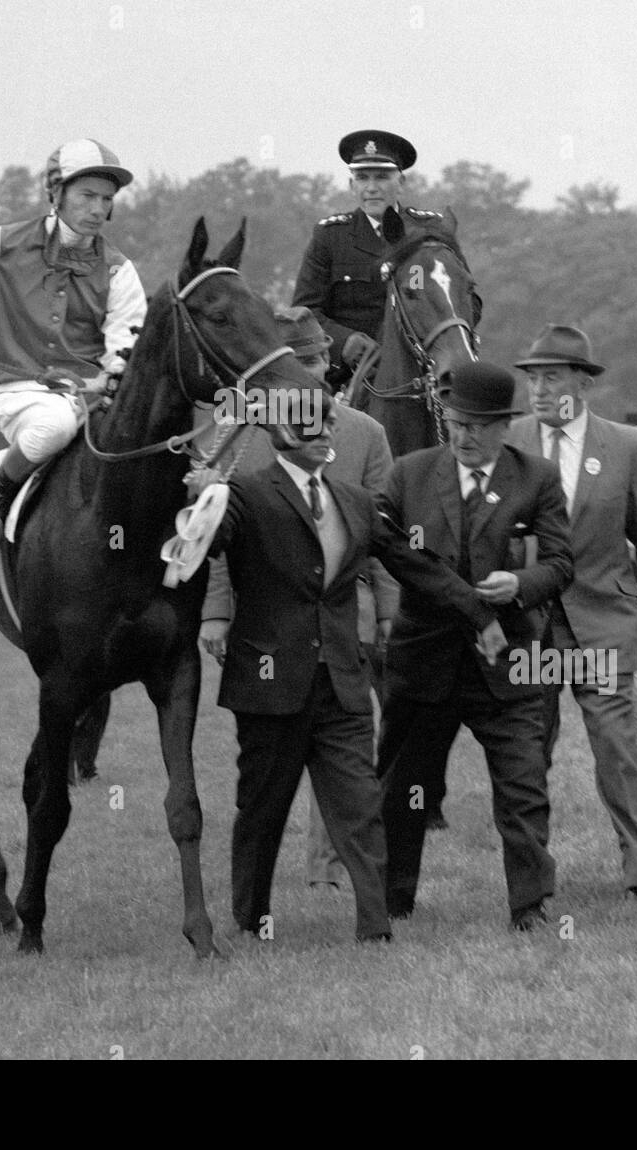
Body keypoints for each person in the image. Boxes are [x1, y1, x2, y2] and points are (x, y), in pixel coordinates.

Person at [206, 402, 495, 946]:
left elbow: (416, 564)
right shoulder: (244, 493)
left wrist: (478, 612)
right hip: (270, 687)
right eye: (309, 422)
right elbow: (211, 542)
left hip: (342, 683)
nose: (324, 432)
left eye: (329, 423)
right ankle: (251, 918)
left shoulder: (356, 503)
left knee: (361, 806)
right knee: (263, 810)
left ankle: (375, 926)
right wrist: (204, 498)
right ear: (278, 431)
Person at [199, 305, 399, 891]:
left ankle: (334, 868)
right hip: (266, 620)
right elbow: (214, 536)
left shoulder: (365, 434)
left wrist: (387, 612)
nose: (308, 373)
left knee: (345, 748)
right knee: (276, 753)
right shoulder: (236, 439)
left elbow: (384, 533)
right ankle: (259, 886)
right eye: (295, 362)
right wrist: (215, 611)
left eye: (315, 360)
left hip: (348, 612)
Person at [377, 360, 573, 932]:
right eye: (455, 422)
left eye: (477, 426)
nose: (463, 435)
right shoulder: (409, 475)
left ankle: (530, 904)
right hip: (424, 663)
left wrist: (520, 585)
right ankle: (393, 898)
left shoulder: (536, 478)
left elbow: (562, 564)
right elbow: (391, 550)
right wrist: (469, 603)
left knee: (523, 785)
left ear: (504, 427)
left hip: (508, 663)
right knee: (406, 787)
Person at [510, 325, 637, 897]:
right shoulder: (510, 440)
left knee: (616, 750)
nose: (538, 389)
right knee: (526, 753)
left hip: (603, 623)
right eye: (532, 377)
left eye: (552, 376)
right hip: (529, 628)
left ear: (583, 383)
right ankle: (532, 876)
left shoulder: (628, 445)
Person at [0, 137, 145, 572]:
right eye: (87, 196)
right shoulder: (1, 244)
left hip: (94, 397)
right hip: (24, 393)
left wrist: (111, 377)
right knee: (54, 425)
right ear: (57, 193)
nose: (98, 209)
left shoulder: (120, 269)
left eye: (106, 199)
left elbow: (126, 340)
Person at [291, 130, 480, 389]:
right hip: (351, 375)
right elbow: (305, 313)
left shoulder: (431, 232)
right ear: (351, 185)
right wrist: (347, 342)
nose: (371, 188)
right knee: (305, 420)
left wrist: (443, 341)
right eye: (362, 178)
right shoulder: (330, 237)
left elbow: (467, 299)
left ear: (400, 182)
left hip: (430, 369)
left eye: (381, 177)